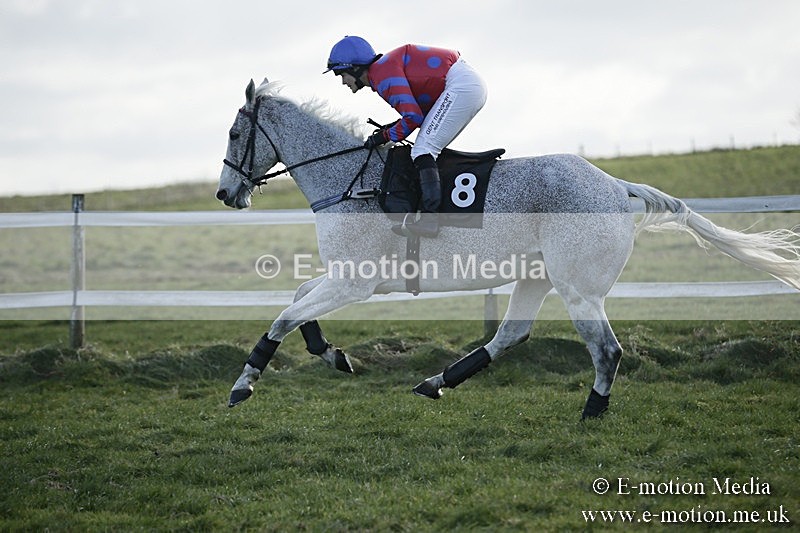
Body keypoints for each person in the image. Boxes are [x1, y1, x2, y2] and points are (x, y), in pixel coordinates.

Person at [324, 35, 488, 237]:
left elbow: (413, 118)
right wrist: (389, 130)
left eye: (341, 74)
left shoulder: (382, 75)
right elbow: (416, 115)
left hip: (462, 86)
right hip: (464, 83)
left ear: (355, 68)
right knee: (426, 146)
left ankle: (430, 220)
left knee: (423, 150)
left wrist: (383, 137)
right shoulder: (382, 71)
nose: (343, 82)